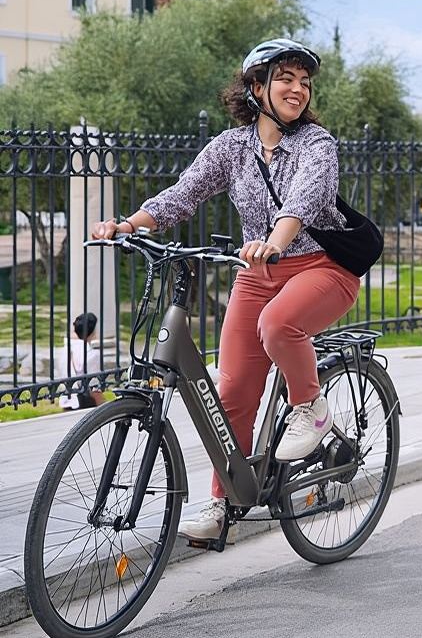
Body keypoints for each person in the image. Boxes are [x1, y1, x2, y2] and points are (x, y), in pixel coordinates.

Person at [90, 38, 361, 542]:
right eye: (286, 79)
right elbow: (184, 193)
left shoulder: (317, 144)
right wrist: (130, 224)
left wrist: (275, 242)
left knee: (279, 324)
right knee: (232, 392)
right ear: (256, 87)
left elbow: (305, 199)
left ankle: (311, 406)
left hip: (322, 267)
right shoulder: (231, 147)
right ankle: (223, 500)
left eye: (304, 82)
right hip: (257, 274)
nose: (298, 89)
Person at [59, 312, 105, 410]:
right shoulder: (92, 355)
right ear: (92, 331)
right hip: (84, 403)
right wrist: (106, 408)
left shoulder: (65, 350)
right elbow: (94, 389)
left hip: (66, 400)